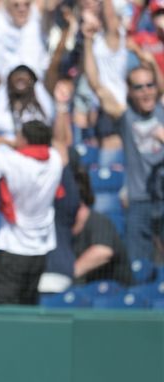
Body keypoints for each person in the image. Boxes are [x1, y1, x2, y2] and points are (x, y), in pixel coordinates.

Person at [0, 83, 71, 305]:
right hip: (39, 253)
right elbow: (60, 144)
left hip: (13, 251)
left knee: (0, 307)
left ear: (25, 140)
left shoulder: (16, 161)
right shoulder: (55, 162)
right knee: (26, 307)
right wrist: (61, 107)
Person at [82, 17, 164, 263]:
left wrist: (144, 56)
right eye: (139, 87)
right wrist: (87, 41)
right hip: (139, 200)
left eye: (150, 85)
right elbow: (96, 85)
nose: (146, 91)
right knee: (139, 263)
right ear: (129, 91)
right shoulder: (124, 115)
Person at [71, 164, 133, 287]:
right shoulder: (61, 225)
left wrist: (68, 274)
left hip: (113, 297)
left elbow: (103, 251)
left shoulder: (98, 221)